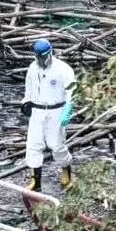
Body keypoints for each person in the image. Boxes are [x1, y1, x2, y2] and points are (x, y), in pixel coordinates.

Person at [22, 39, 76, 191]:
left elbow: (72, 91)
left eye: (43, 57)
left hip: (56, 110)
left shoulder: (63, 69)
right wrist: (26, 102)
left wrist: (68, 108)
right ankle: (35, 180)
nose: (40, 60)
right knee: (33, 145)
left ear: (50, 53)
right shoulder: (33, 67)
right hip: (37, 110)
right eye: (38, 57)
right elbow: (29, 87)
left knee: (56, 144)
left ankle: (66, 170)